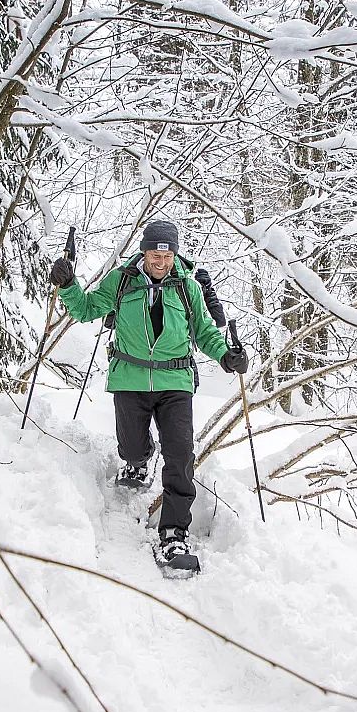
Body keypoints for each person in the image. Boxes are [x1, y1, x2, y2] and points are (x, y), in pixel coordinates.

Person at [49, 220, 248, 572]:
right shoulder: (123, 281)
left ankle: (174, 533)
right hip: (130, 378)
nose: (162, 261)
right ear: (144, 252)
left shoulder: (187, 287)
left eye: (167, 254)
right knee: (132, 444)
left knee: (180, 455)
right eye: (156, 253)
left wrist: (226, 356)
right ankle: (138, 460)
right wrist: (68, 284)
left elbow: (204, 331)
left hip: (176, 383)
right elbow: (85, 309)